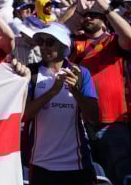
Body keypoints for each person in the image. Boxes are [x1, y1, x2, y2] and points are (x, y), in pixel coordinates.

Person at [62, 0, 131, 184]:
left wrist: (106, 8)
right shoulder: (74, 43)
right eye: (86, 16)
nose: (88, 19)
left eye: (94, 15)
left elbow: (130, 38)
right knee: (86, 176)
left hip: (112, 121)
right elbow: (57, 34)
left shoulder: (114, 41)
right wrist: (78, 9)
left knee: (118, 173)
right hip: (78, 121)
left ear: (105, 19)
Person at [23, 23, 99, 185]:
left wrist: (75, 91)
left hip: (77, 164)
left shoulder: (80, 72)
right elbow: (25, 115)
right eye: (41, 42)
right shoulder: (32, 72)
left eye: (49, 42)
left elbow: (93, 117)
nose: (43, 47)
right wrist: (52, 92)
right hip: (41, 164)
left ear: (64, 46)